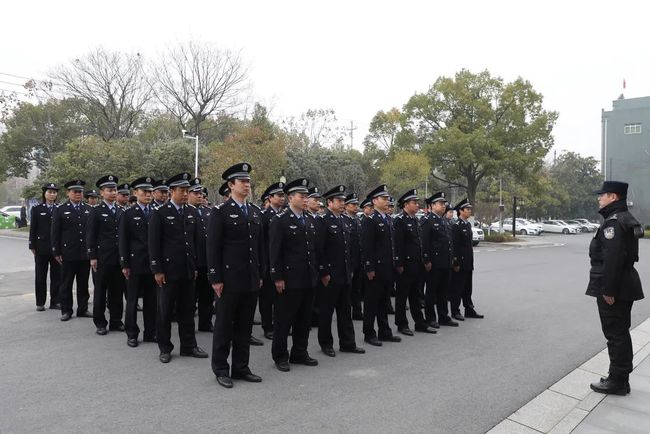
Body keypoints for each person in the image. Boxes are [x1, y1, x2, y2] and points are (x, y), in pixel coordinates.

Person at [207, 162, 264, 388]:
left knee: (244, 326)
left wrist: (259, 273)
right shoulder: (220, 212)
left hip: (250, 278)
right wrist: (215, 278)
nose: (247, 185)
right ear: (231, 185)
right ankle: (221, 368)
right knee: (224, 325)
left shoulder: (254, 211)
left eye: (248, 182)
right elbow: (213, 247)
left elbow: (258, 247)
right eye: (243, 182)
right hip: (229, 279)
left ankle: (241, 367)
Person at [587, 181, 644, 395]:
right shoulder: (621, 218)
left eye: (602, 195)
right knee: (619, 332)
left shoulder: (614, 222)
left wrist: (608, 290)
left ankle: (618, 381)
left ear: (613, 197)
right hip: (622, 284)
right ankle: (618, 377)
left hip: (615, 287)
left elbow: (614, 258)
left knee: (615, 334)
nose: (599, 198)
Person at [149, 172, 208, 363]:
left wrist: (196, 265)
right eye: (182, 190)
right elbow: (154, 243)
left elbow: (196, 242)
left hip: (188, 270)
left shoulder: (192, 212)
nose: (185, 194)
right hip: (167, 271)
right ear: (172, 191)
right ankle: (165, 347)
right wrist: (157, 269)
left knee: (188, 310)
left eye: (187, 190)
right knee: (165, 310)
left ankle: (189, 345)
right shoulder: (160, 213)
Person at [268, 178, 319, 372]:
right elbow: (275, 251)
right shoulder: (280, 220)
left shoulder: (308, 219)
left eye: (307, 196)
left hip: (307, 277)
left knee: (304, 319)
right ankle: (280, 355)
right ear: (290, 198)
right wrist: (277, 277)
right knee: (284, 319)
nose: (305, 199)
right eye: (302, 196)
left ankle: (300, 352)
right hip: (289, 278)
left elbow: (312, 250)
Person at [316, 185, 365, 357]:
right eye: (339, 200)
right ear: (329, 202)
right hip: (330, 275)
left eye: (344, 200)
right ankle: (326, 343)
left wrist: (350, 269)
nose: (343, 203)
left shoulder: (344, 220)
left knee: (345, 310)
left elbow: (349, 249)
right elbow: (320, 250)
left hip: (345, 274)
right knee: (327, 312)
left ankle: (348, 343)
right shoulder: (323, 221)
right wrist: (324, 272)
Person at [360, 185, 401, 346]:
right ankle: (369, 333)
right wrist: (369, 268)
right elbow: (367, 246)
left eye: (387, 198)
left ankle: (385, 331)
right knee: (371, 303)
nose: (387, 201)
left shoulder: (388, 219)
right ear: (375, 201)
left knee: (384, 301)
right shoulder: (370, 220)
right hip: (375, 269)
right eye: (383, 198)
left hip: (387, 268)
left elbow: (391, 245)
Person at [119, 176, 157, 347]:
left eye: (150, 192)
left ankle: (150, 332)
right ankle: (132, 333)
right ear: (136, 193)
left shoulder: (156, 211)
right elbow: (123, 241)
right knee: (133, 301)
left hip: (153, 264)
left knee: (151, 301)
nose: (148, 195)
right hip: (135, 263)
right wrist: (125, 264)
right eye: (145, 192)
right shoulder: (128, 214)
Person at [393, 189, 436, 336]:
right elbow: (397, 245)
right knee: (402, 297)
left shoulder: (415, 220)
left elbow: (420, 243)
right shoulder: (400, 220)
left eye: (417, 202)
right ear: (406, 204)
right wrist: (398, 264)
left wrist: (424, 260)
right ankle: (402, 324)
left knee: (416, 296)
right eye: (414, 202)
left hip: (417, 265)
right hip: (405, 266)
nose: (417, 205)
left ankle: (420, 323)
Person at [87, 175, 126, 335]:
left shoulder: (121, 210)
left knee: (117, 291)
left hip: (118, 258)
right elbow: (91, 235)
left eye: (115, 190)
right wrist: (92, 256)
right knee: (100, 292)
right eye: (109, 190)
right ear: (101, 193)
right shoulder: (96, 211)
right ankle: (100, 322)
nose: (113, 193)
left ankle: (116, 321)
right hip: (102, 258)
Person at [51, 179, 92, 321]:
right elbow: (55, 232)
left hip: (84, 253)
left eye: (80, 191)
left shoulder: (88, 209)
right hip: (67, 253)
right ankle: (66, 310)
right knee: (66, 283)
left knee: (83, 284)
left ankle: (83, 309)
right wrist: (56, 251)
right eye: (75, 191)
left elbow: (91, 233)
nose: (78, 194)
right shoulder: (60, 209)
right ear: (68, 193)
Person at [421, 192, 458, 328]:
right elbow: (425, 243)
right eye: (440, 204)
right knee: (431, 292)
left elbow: (449, 243)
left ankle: (443, 316)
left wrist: (452, 259)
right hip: (434, 263)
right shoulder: (428, 221)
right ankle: (430, 317)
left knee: (443, 291)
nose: (443, 206)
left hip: (445, 262)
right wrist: (426, 260)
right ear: (432, 205)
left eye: (444, 204)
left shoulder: (444, 221)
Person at [259, 181, 286, 340]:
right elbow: (261, 242)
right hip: (268, 262)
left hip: (282, 262)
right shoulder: (264, 216)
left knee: (280, 297)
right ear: (270, 198)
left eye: (283, 195)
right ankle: (267, 326)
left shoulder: (284, 215)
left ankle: (278, 323)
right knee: (267, 298)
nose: (282, 198)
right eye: (279, 196)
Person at [450, 198, 483, 321]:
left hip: (468, 262)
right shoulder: (456, 226)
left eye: (470, 209)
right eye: (467, 209)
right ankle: (455, 311)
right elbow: (455, 246)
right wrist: (456, 262)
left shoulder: (467, 224)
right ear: (461, 211)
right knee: (457, 288)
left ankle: (469, 309)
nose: (470, 211)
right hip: (460, 263)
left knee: (468, 288)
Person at [29, 183, 61, 311]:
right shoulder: (37, 209)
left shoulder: (59, 208)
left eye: (54, 192)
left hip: (56, 248)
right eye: (50, 192)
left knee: (57, 275)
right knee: (40, 276)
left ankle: (55, 301)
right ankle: (40, 302)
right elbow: (33, 229)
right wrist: (32, 245)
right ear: (44, 193)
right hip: (41, 247)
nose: (52, 194)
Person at [188, 178, 214, 332]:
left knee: (207, 296)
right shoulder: (185, 212)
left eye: (201, 193)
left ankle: (206, 323)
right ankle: (188, 325)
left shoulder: (208, 212)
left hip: (206, 261)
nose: (199, 196)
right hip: (191, 261)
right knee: (190, 298)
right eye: (196, 193)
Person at [343, 193, 363, 320]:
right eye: (353, 204)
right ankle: (347, 311)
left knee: (357, 288)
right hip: (349, 260)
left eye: (357, 205)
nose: (356, 207)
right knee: (348, 289)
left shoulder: (357, 220)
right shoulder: (343, 220)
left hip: (358, 259)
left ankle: (357, 311)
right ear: (346, 206)